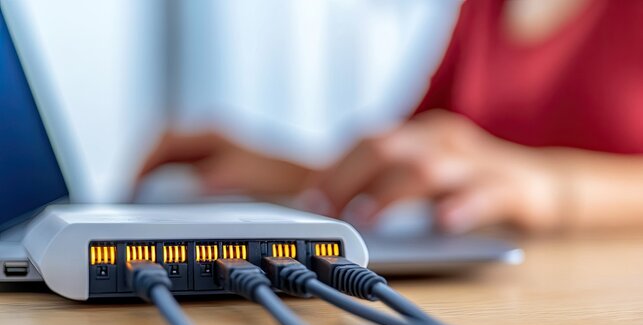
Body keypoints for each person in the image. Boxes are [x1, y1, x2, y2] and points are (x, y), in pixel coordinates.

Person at [139, 0, 643, 233]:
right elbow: (425, 159)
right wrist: (299, 174)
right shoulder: (481, 11)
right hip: (499, 297)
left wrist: (553, 189)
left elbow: (505, 173)